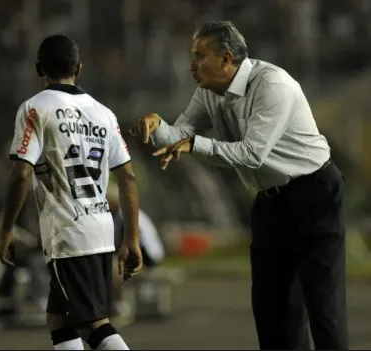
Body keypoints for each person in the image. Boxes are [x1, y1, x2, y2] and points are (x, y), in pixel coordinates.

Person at [130, 21, 348, 350]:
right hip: (271, 201)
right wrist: (159, 126)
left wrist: (194, 145)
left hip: (314, 194)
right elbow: (180, 135)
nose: (192, 66)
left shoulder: (272, 84)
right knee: (272, 310)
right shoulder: (208, 90)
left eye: (199, 56)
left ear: (226, 58)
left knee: (323, 307)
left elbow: (251, 154)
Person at [0, 34, 142, 351]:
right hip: (100, 229)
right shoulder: (104, 114)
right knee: (59, 320)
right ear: (79, 67)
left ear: (39, 69)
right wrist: (131, 238)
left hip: (69, 233)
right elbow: (128, 176)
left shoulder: (35, 109)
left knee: (94, 325)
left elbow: (21, 173)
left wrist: (7, 229)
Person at [106, 184, 165, 320]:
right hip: (147, 253)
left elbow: (135, 243)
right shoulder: (124, 212)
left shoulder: (124, 215)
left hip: (148, 257)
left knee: (113, 268)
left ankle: (118, 305)